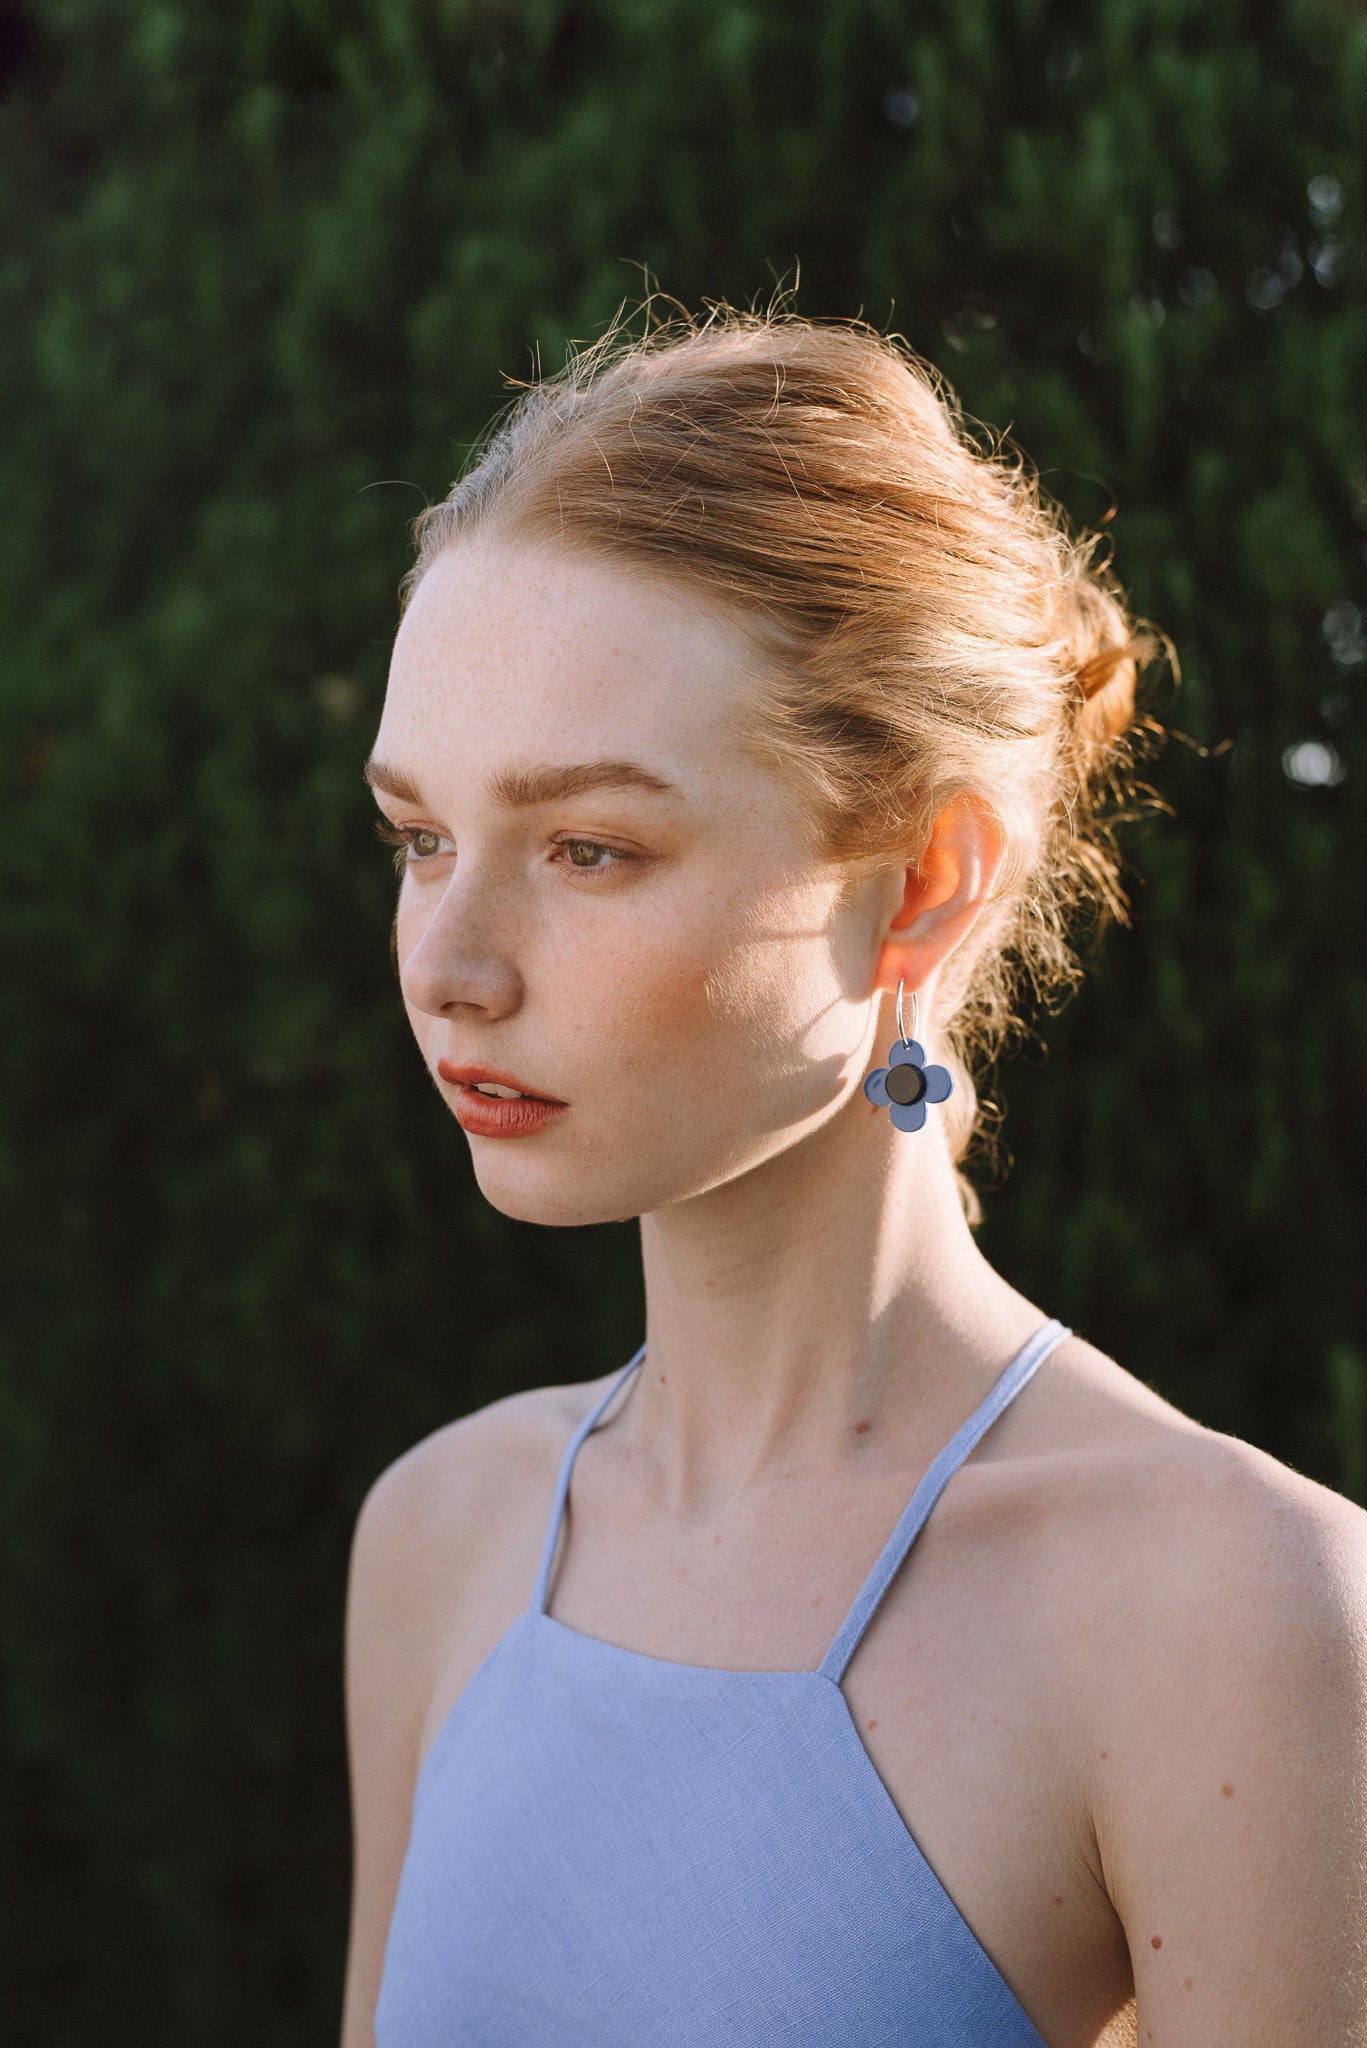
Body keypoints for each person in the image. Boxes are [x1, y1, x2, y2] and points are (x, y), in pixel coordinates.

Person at [340, 307, 1367, 2048]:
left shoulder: (1238, 1616)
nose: (449, 959)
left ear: (926, 885)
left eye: (590, 847)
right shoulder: (447, 1531)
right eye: (422, 838)